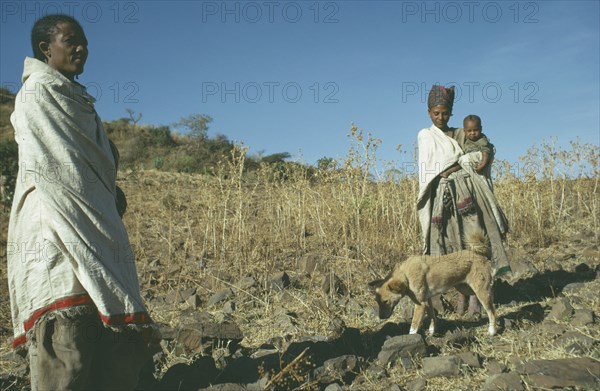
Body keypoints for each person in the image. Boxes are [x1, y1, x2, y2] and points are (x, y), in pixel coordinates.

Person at [7, 14, 155, 390]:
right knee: (67, 338)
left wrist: (107, 193)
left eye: (84, 41)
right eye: (70, 40)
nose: (81, 48)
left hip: (90, 219)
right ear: (46, 49)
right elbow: (55, 167)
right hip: (53, 225)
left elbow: (89, 165)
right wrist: (97, 195)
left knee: (100, 322)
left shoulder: (79, 101)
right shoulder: (37, 94)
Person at [417, 85, 510, 317]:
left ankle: (476, 301)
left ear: (451, 112)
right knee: (454, 248)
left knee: (474, 243)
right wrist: (452, 166)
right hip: (442, 197)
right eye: (436, 113)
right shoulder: (426, 135)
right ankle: (461, 299)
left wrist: (472, 160)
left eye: (445, 113)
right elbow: (429, 168)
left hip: (467, 195)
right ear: (429, 112)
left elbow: (483, 147)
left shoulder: (461, 133)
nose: (441, 117)